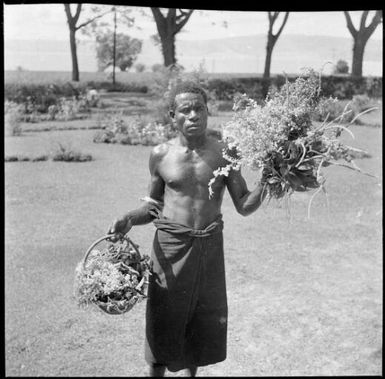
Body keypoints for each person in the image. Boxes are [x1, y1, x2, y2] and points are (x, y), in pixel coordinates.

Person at [108, 81, 267, 377]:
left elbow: (244, 205)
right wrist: (129, 218)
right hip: (170, 249)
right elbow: (153, 207)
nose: (193, 115)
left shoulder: (225, 152)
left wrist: (270, 179)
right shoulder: (160, 154)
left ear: (208, 112)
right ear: (172, 116)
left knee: (199, 321)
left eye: (199, 108)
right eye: (185, 110)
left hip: (208, 248)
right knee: (163, 319)